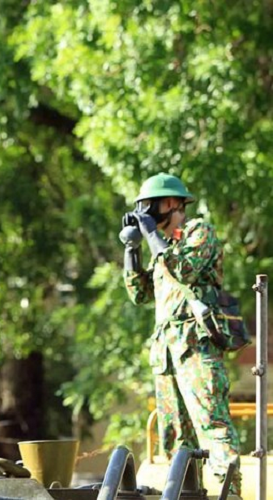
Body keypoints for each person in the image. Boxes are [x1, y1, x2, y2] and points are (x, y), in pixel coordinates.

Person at [120, 172, 241, 494]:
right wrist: (132, 249)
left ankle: (231, 494)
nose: (146, 213)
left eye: (150, 206)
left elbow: (185, 270)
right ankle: (187, 494)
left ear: (171, 203)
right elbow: (140, 294)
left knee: (212, 426)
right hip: (167, 353)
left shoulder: (198, 231)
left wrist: (149, 233)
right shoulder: (165, 246)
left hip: (196, 347)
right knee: (175, 437)